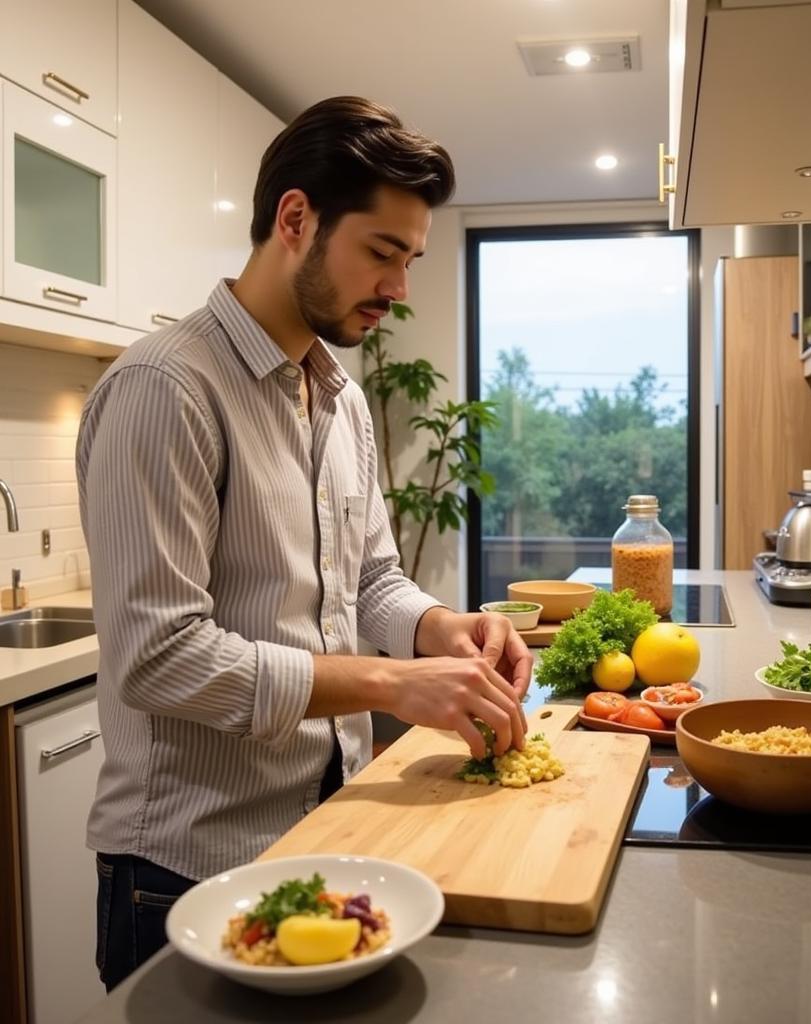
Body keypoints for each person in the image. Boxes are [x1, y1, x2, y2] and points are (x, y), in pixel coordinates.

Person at [77, 96, 533, 991]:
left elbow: (369, 579)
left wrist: (438, 628)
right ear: (296, 219)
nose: (399, 287)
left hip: (328, 832)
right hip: (186, 866)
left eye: (412, 259)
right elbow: (156, 658)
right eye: (382, 252)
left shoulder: (341, 399)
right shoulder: (165, 389)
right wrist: (393, 682)